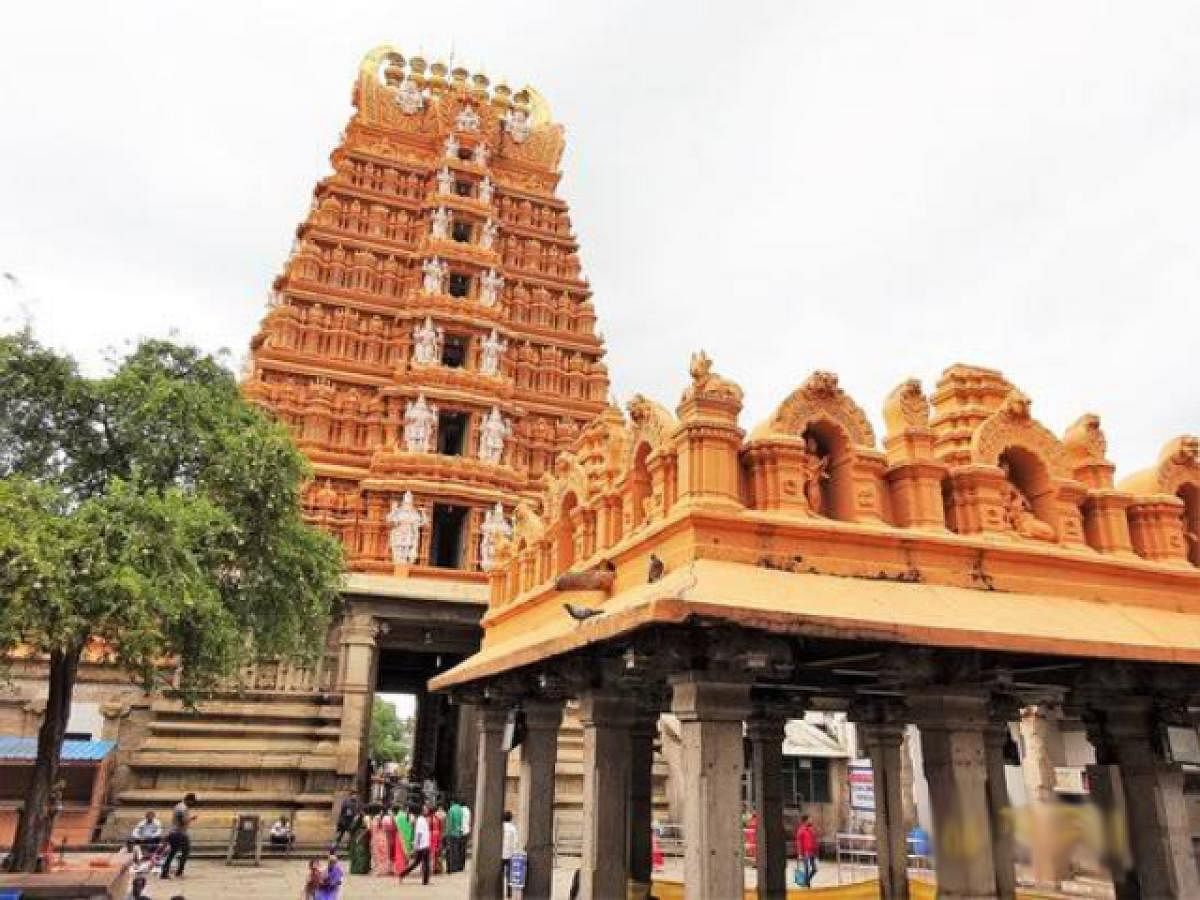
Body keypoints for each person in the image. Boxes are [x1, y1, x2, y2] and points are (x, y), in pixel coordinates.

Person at [160, 792, 196, 881]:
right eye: (192, 802)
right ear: (189, 800)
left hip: (174, 832)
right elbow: (183, 821)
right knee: (185, 851)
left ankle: (165, 872)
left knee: (172, 853)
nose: (192, 804)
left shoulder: (178, 806)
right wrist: (191, 818)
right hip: (179, 833)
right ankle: (179, 872)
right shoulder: (183, 808)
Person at [398, 803, 432, 884]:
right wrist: (417, 845)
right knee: (423, 863)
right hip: (423, 845)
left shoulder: (420, 820)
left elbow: (419, 834)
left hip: (423, 844)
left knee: (418, 863)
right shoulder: (421, 819)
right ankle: (424, 881)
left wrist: (416, 845)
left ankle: (402, 874)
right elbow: (419, 834)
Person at [368, 804, 392, 875]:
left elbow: (373, 828)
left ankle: (380, 870)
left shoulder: (376, 818)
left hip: (376, 837)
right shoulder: (384, 818)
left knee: (378, 854)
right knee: (383, 854)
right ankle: (383, 869)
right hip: (382, 837)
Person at [795, 814, 819, 888]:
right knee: (806, 869)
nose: (811, 820)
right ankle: (807, 885)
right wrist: (799, 853)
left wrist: (816, 851)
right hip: (805, 852)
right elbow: (799, 842)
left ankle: (806, 881)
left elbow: (814, 841)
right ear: (805, 821)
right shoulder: (801, 830)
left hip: (811, 852)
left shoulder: (810, 829)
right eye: (809, 819)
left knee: (814, 869)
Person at [444, 797, 466, 873]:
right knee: (457, 850)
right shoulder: (460, 810)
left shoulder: (451, 810)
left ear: (452, 802)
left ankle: (452, 867)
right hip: (458, 832)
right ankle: (457, 866)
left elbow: (449, 823)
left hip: (452, 833)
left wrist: (447, 833)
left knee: (451, 851)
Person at [348, 806, 371, 875]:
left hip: (359, 835)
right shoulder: (363, 817)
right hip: (360, 835)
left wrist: (360, 836)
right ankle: (360, 869)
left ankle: (359, 869)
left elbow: (367, 828)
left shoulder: (361, 817)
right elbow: (368, 828)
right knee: (361, 852)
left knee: (360, 852)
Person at [501, 810, 518, 899]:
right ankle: (509, 893)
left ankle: (499, 891)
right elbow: (515, 842)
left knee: (500, 874)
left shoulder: (500, 827)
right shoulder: (513, 828)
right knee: (509, 876)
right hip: (510, 854)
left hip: (500, 854)